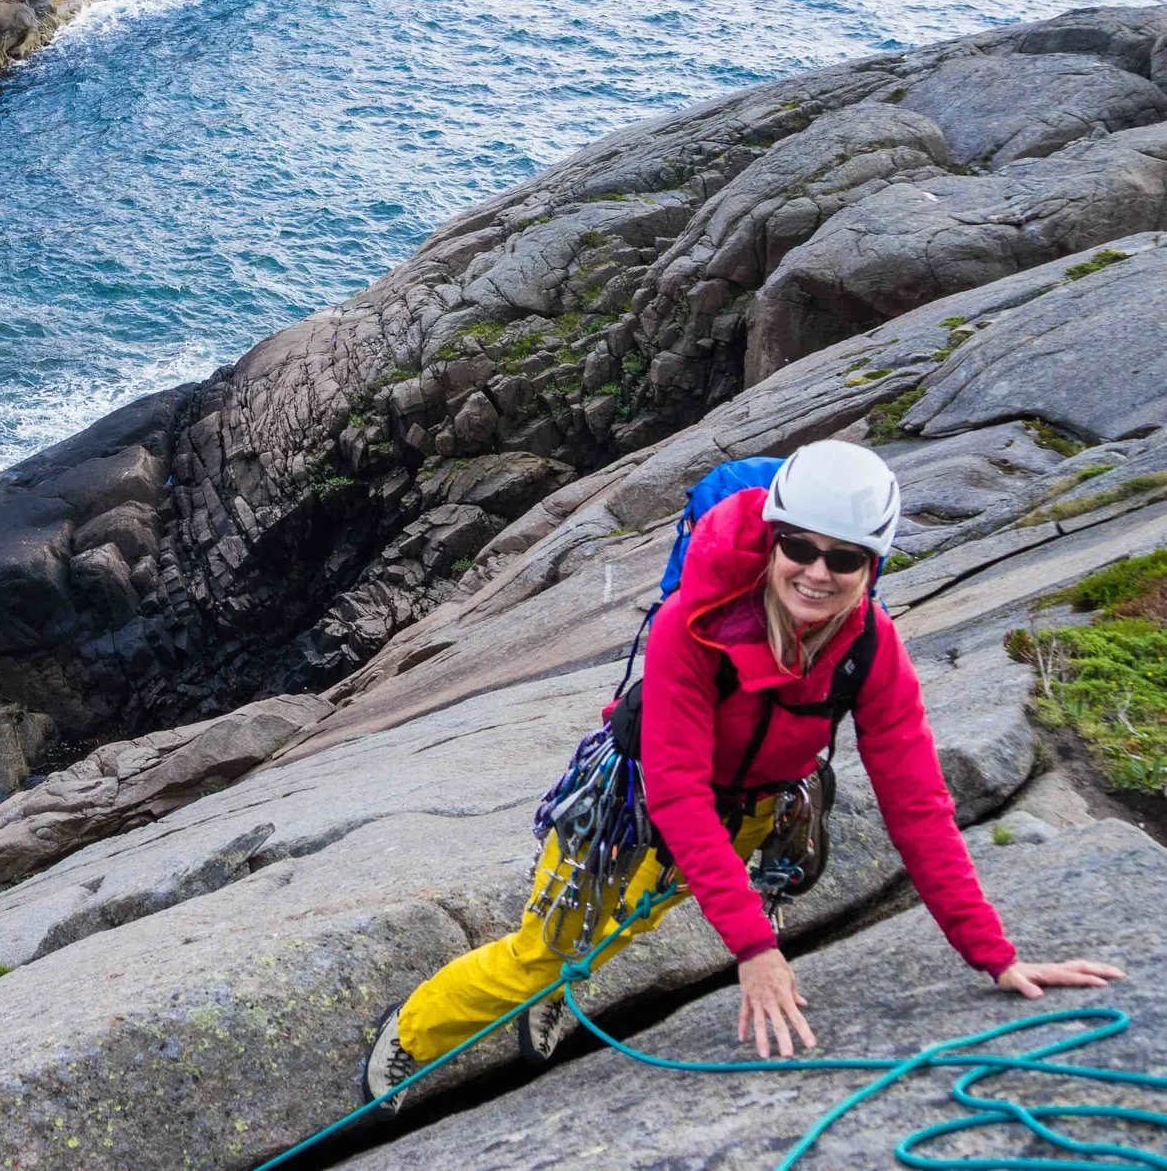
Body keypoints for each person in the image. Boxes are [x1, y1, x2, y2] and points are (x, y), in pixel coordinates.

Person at [362, 440, 1122, 1102]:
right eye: (799, 546)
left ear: (874, 563)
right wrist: (756, 949)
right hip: (634, 799)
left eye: (846, 557)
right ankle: (417, 1034)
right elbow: (678, 791)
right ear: (773, 536)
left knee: (631, 920)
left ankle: (564, 985)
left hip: (752, 807)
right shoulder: (692, 625)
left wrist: (994, 953)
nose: (818, 573)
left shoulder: (869, 646)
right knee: (543, 949)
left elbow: (918, 805)